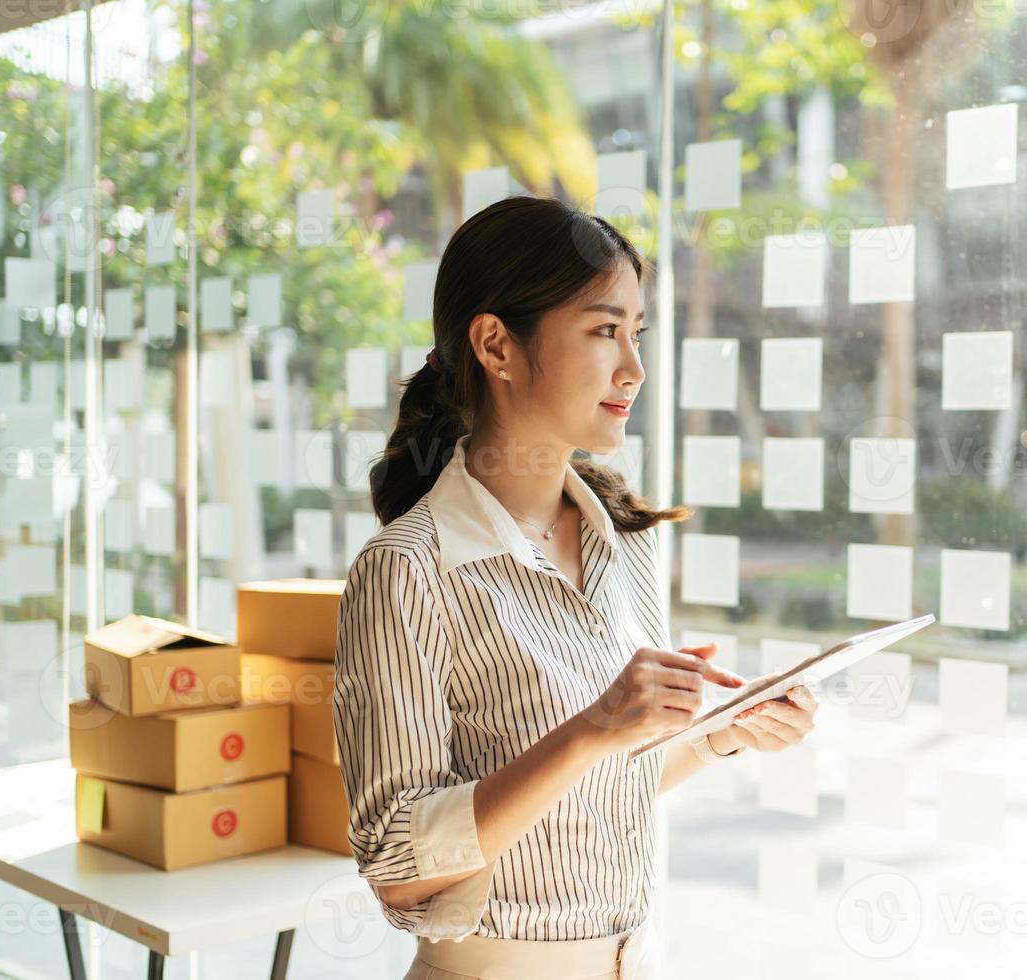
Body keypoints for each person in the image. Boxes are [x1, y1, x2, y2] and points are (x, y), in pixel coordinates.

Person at [333, 196, 821, 980]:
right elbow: (396, 863)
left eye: (636, 333)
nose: (632, 368)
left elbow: (603, 788)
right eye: (602, 331)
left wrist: (719, 731)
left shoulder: (625, 542)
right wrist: (593, 726)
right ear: (495, 344)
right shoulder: (408, 570)